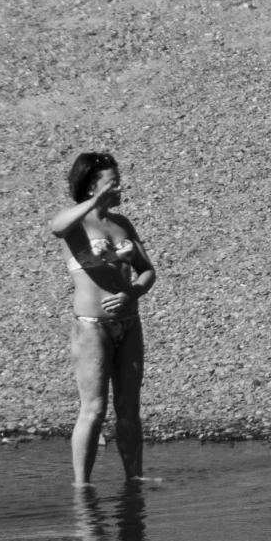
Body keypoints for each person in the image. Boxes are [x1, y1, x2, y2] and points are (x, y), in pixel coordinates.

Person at [48, 150, 156, 486]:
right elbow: (56, 227)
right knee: (93, 409)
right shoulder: (76, 224)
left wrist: (132, 293)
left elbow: (147, 271)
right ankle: (82, 485)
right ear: (93, 183)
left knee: (129, 408)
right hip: (91, 329)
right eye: (112, 179)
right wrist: (93, 201)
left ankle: (134, 478)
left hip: (128, 323)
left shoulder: (121, 224)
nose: (120, 184)